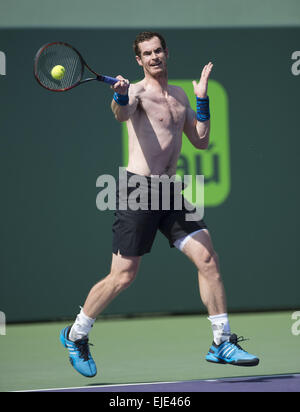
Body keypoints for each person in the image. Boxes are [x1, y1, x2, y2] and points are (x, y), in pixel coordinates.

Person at [60, 31, 259, 377]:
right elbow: (121, 115)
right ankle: (76, 334)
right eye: (146, 53)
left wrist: (202, 99)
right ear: (139, 60)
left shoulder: (180, 95)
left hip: (170, 191)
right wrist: (121, 96)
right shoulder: (135, 92)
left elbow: (201, 140)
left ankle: (221, 342)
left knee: (208, 258)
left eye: (158, 51)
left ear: (167, 53)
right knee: (123, 276)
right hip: (138, 190)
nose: (154, 57)